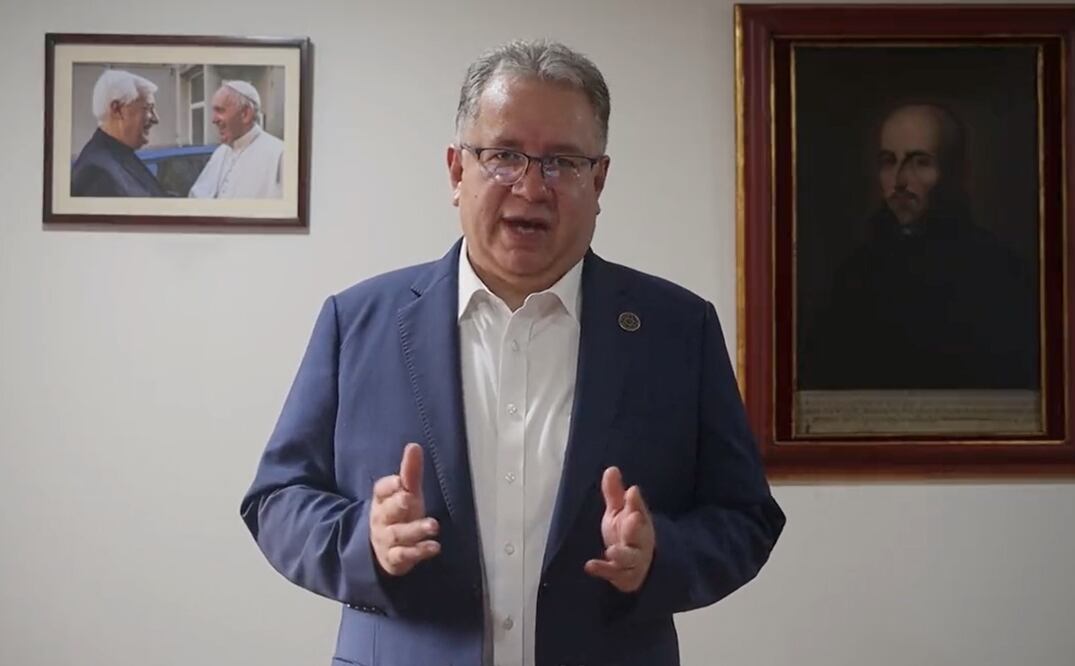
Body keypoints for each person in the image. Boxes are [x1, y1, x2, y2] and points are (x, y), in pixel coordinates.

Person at [241, 40, 784, 666]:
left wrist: (658, 555)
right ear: (455, 171)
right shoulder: (358, 322)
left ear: (599, 179)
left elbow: (745, 518)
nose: (531, 187)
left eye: (563, 162)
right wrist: (365, 540)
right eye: (503, 156)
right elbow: (277, 500)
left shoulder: (677, 330)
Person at [800, 103, 1039, 391]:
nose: (900, 180)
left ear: (955, 173)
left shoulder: (1000, 273)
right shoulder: (853, 276)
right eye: (889, 161)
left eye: (920, 162)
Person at [70, 69, 165, 197]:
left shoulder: (118, 154)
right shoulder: (97, 173)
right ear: (117, 110)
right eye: (148, 108)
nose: (156, 119)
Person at [188, 80, 284, 198]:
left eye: (220, 110)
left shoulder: (279, 154)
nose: (213, 120)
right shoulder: (221, 152)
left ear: (245, 114)